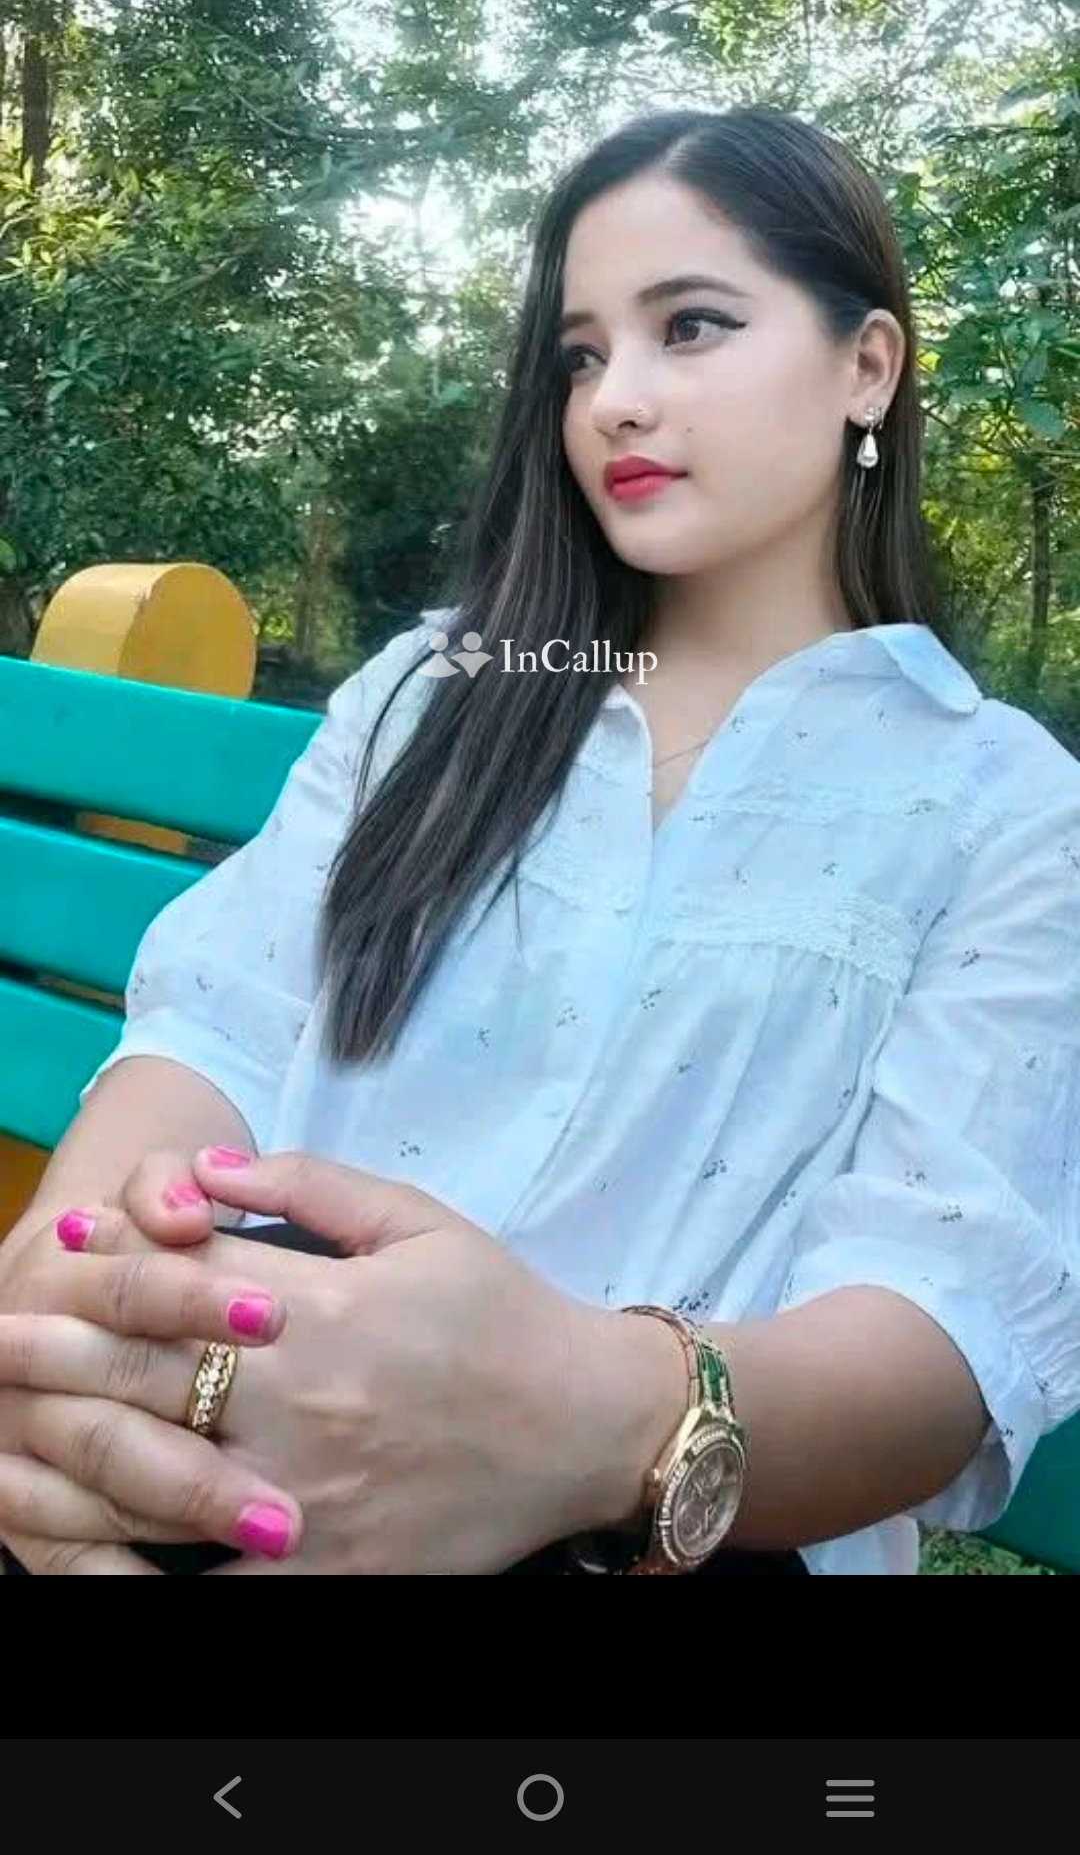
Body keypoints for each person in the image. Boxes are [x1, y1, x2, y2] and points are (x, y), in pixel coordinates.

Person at [1, 103, 1078, 1578]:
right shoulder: (436, 697)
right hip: (228, 1445)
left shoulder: (1005, 808)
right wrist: (59, 1344)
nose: (615, 400)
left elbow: (937, 1326)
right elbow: (219, 1028)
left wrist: (568, 1416)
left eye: (690, 326)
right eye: (580, 356)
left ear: (867, 366)